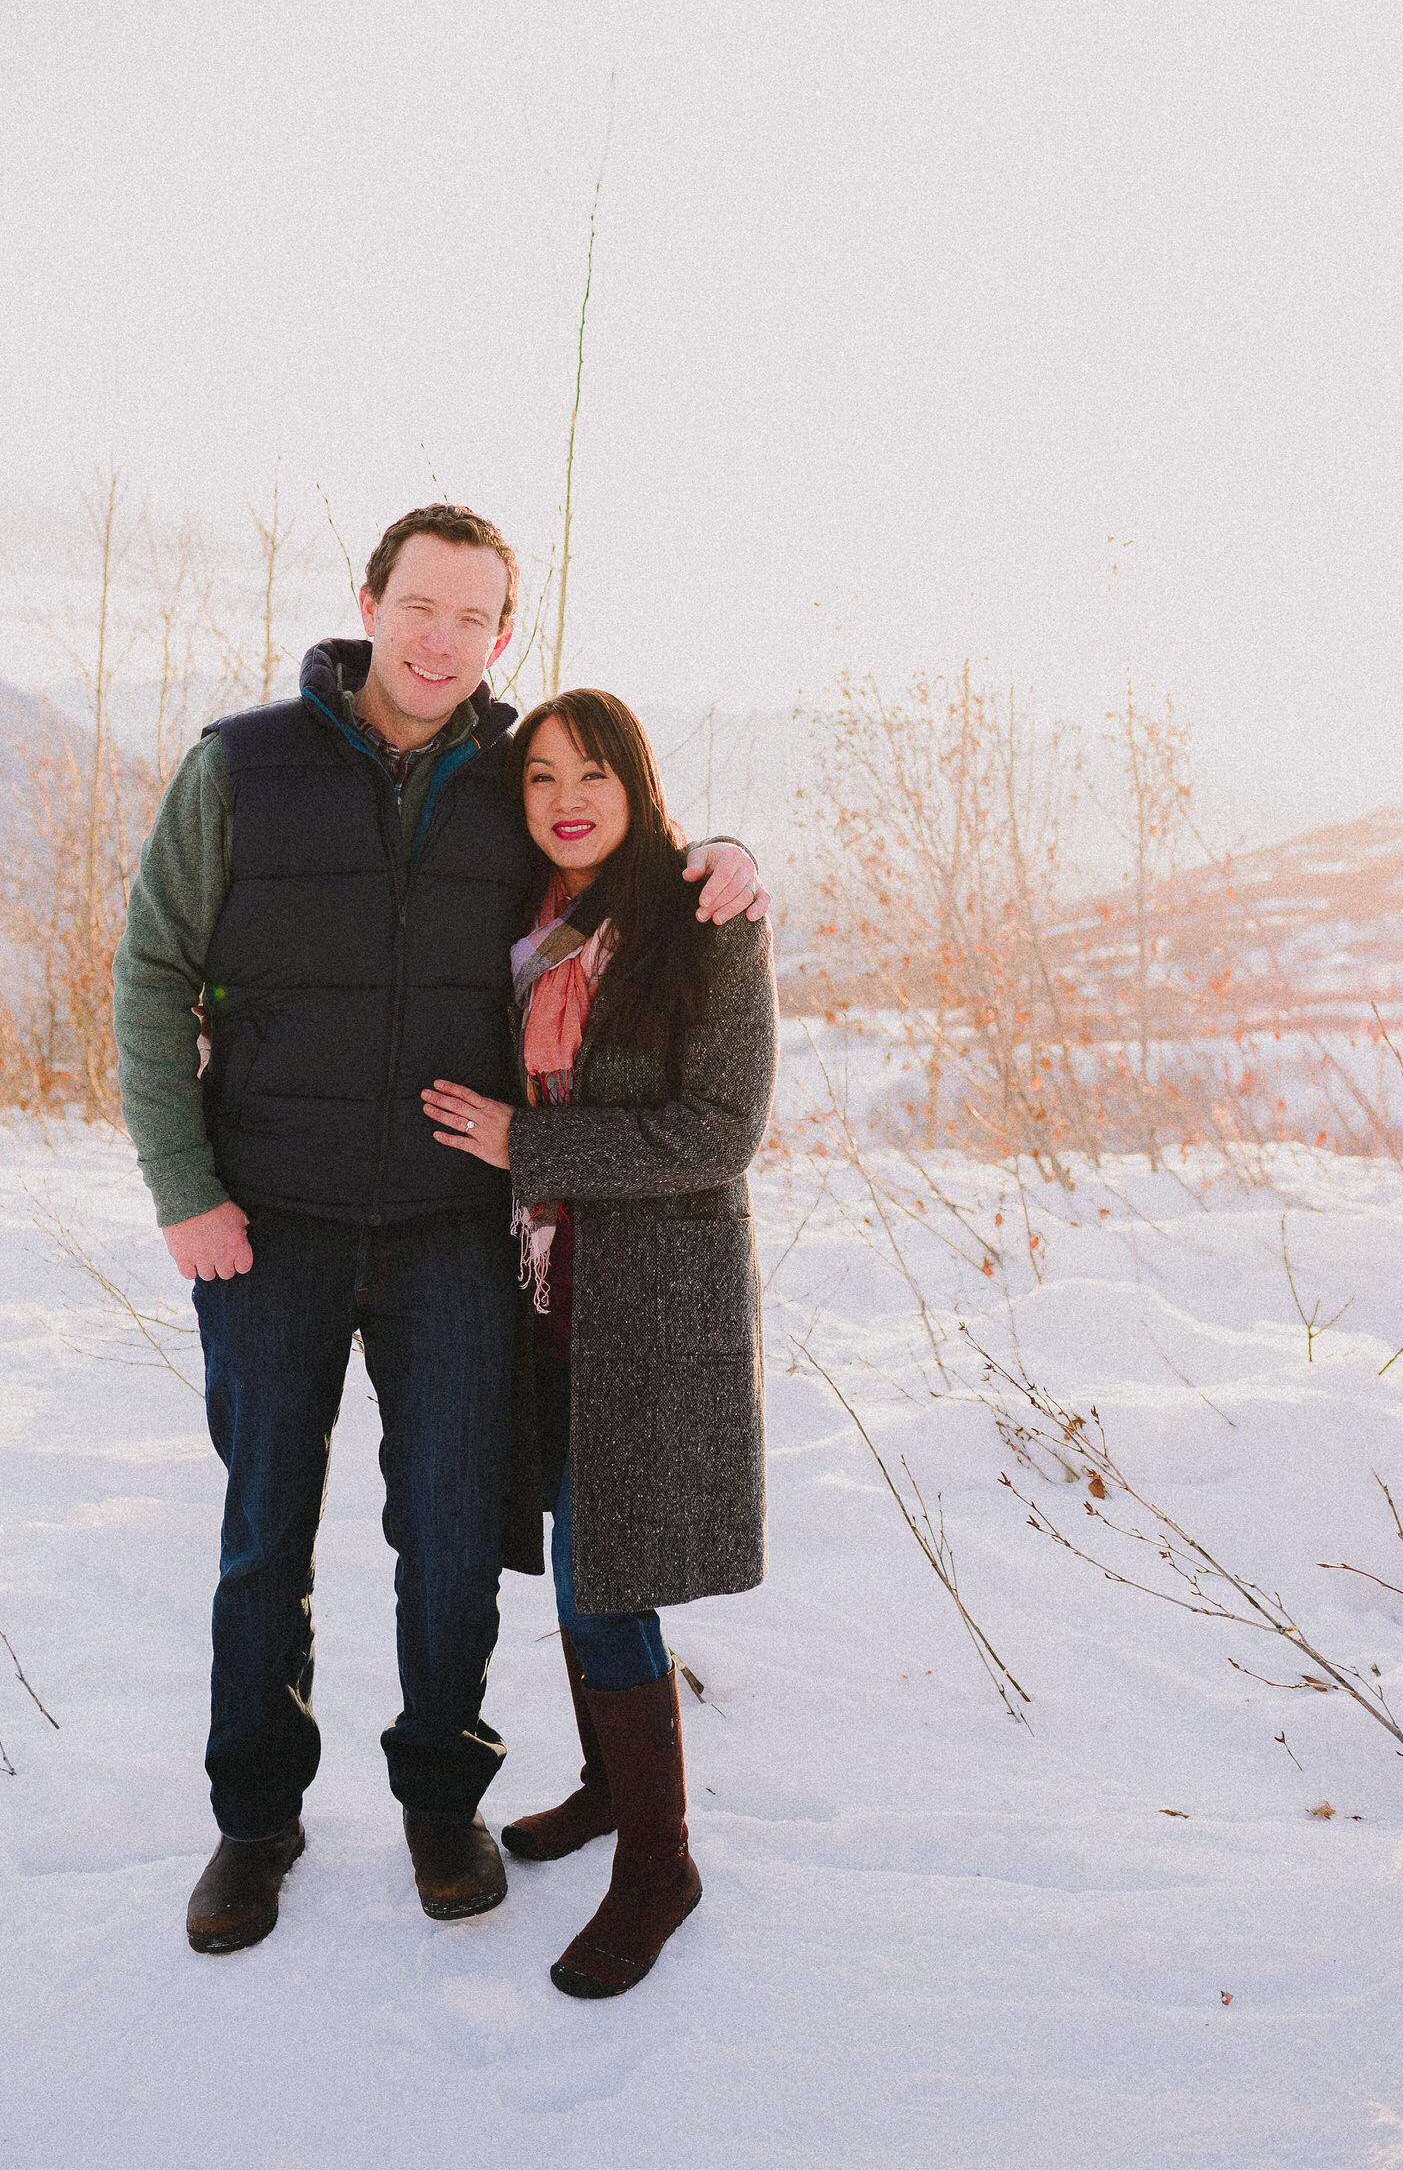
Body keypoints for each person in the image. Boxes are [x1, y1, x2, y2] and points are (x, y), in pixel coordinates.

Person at [110, 504, 766, 1954]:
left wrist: (724, 852)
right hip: (264, 1225)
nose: (441, 639)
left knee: (455, 1537)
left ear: (502, 636)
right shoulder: (241, 766)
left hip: (454, 1233)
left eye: (474, 618)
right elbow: (151, 973)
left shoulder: (517, 779)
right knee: (261, 1539)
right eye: (422, 605)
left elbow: (628, 862)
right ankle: (254, 1824)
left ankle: (437, 1799)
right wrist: (182, 1186)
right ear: (368, 602)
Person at [419, 687, 778, 1997]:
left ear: (635, 784)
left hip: (654, 1313)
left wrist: (533, 1143)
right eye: (538, 778)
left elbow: (718, 1132)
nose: (565, 797)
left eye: (593, 773)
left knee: (602, 1579)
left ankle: (660, 1865)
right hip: (539, 1299)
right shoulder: (518, 932)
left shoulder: (702, 922)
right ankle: (602, 1788)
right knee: (581, 1557)